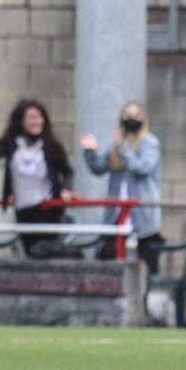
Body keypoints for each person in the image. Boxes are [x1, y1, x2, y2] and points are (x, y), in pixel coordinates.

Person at [0, 98, 74, 255]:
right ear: (21, 121)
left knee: (44, 250)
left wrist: (66, 189)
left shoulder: (51, 145)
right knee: (30, 251)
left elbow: (68, 171)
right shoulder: (11, 143)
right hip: (23, 208)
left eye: (40, 117)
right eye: (32, 118)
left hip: (47, 207)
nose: (37, 121)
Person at [77, 101, 163, 272]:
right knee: (108, 264)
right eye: (127, 115)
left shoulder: (149, 143)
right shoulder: (118, 144)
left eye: (136, 115)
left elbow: (142, 167)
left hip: (142, 219)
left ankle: (141, 299)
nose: (131, 119)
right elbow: (99, 168)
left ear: (143, 119)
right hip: (116, 216)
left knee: (142, 271)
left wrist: (123, 149)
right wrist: (90, 151)